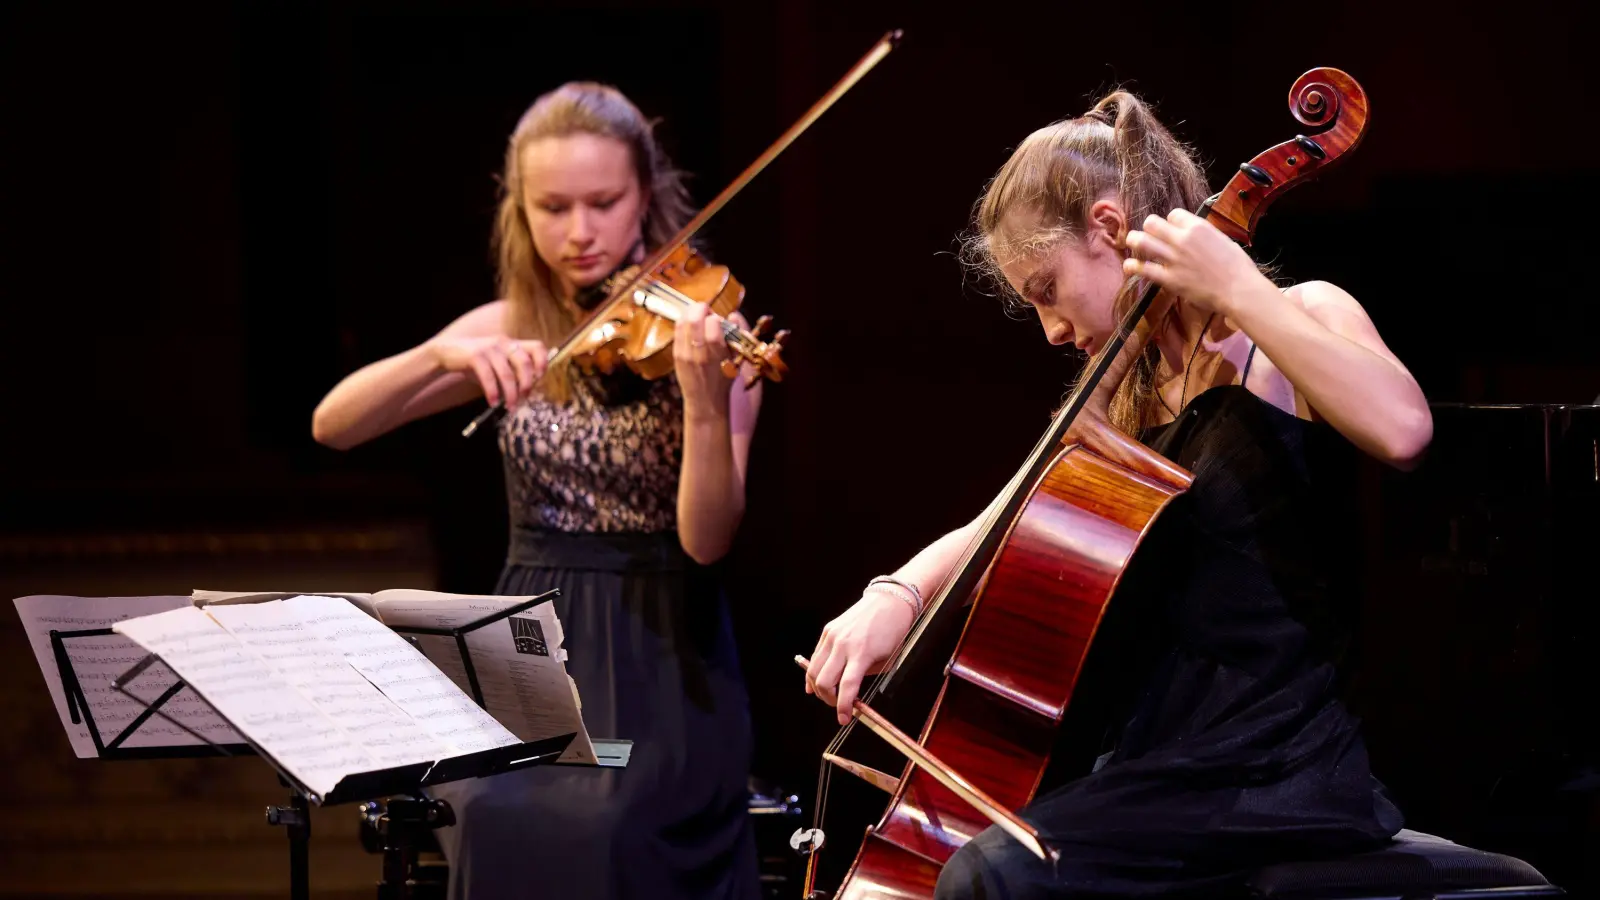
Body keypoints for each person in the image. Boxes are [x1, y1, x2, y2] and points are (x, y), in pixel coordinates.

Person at [802, 89, 1434, 899]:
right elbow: (1002, 518)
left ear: (1107, 229)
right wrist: (898, 593)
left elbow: (1405, 430)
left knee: (991, 879)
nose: (1052, 332)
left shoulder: (1296, 319)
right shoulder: (1126, 396)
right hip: (1154, 762)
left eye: (1045, 291)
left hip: (1274, 766)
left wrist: (1240, 288)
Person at [312, 82, 761, 900]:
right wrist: (439, 359)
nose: (580, 231)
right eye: (552, 207)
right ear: (518, 209)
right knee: (490, 810)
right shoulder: (506, 326)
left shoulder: (703, 333)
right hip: (528, 641)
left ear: (646, 197)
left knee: (611, 825)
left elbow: (707, 540)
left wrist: (702, 401)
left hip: (661, 648)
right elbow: (333, 426)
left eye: (603, 201)